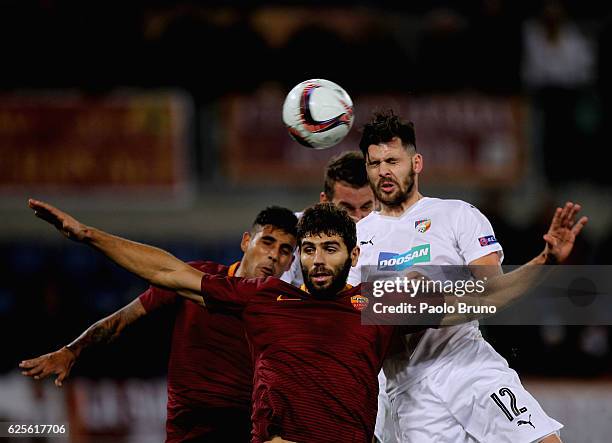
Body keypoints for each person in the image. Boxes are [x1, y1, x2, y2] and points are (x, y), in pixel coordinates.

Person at [27, 198, 584, 443]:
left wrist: (543, 263)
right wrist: (89, 235)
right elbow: (168, 272)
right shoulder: (263, 299)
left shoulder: (377, 304)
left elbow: (479, 300)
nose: (317, 260)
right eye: (309, 249)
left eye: (329, 249)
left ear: (351, 255)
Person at [350, 111, 587, 443]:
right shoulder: (356, 239)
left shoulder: (457, 215)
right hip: (409, 388)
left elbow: (493, 293)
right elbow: (358, 315)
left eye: (393, 160)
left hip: (471, 365)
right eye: (374, 164)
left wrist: (545, 260)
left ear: (416, 163)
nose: (384, 171)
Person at [20, 206, 298, 443]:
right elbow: (123, 320)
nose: (274, 255)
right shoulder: (197, 278)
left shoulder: (284, 308)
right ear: (246, 241)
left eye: (285, 250)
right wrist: (72, 350)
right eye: (267, 242)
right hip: (186, 434)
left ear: (290, 262)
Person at [282, 150, 375, 286]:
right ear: (324, 201)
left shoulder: (387, 234)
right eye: (346, 208)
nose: (358, 218)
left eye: (366, 207)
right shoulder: (293, 231)